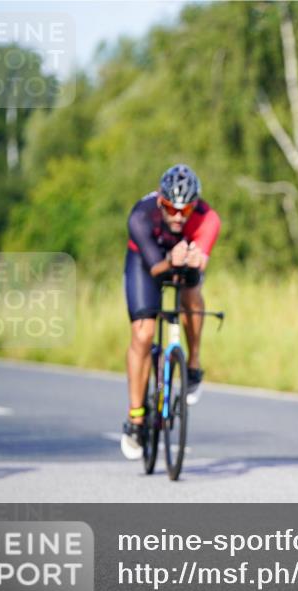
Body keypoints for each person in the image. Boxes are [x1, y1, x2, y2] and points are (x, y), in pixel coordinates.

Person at [119, 164, 222, 459]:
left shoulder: (208, 218)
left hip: (182, 261)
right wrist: (171, 259)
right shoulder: (141, 215)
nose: (178, 216)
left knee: (192, 292)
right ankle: (136, 418)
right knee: (144, 333)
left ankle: (193, 364)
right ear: (160, 200)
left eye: (185, 210)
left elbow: (201, 261)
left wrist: (193, 260)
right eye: (170, 208)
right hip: (145, 263)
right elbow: (155, 267)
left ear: (195, 206)